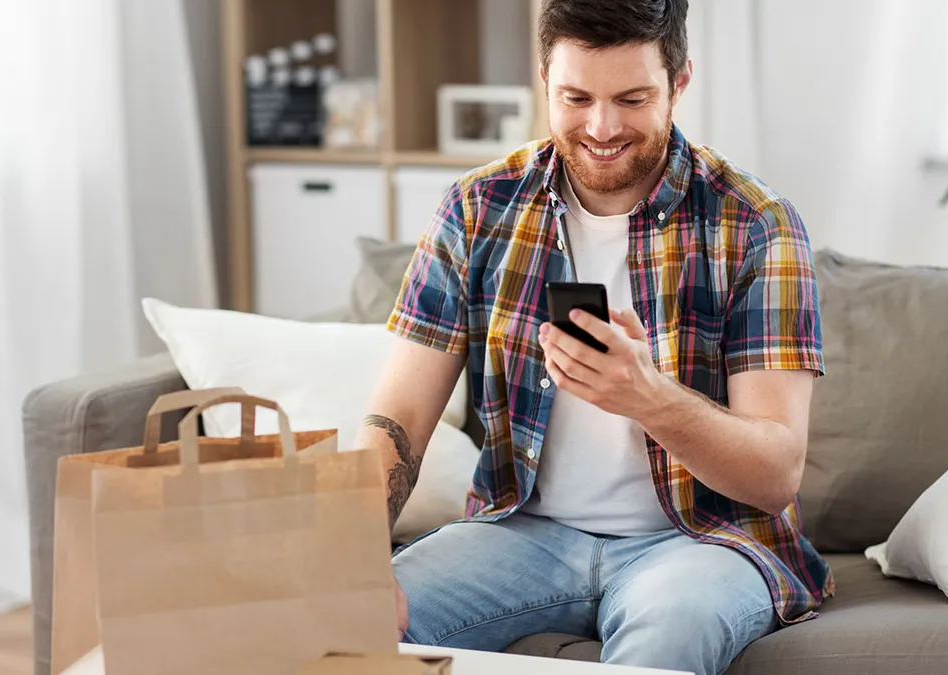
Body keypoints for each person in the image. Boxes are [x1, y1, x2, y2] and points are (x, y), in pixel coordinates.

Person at [352, 1, 832, 672]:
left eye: (632, 98)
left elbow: (775, 474)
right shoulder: (477, 208)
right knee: (344, 626)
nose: (602, 127)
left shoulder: (754, 223)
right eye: (575, 97)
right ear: (543, 78)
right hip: (520, 535)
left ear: (680, 83)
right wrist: (352, 562)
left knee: (669, 637)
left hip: (700, 542)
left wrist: (648, 398)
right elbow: (399, 416)